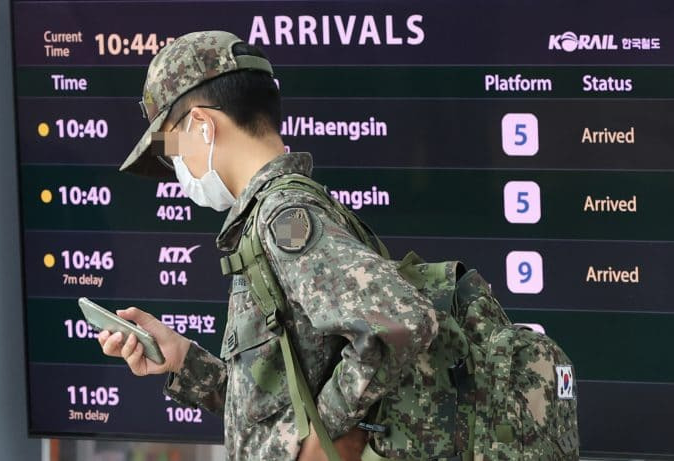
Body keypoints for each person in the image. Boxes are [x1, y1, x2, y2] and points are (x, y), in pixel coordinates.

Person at [98, 30, 439, 461]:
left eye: (171, 148)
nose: (175, 166)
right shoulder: (271, 216)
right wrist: (182, 360)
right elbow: (278, 405)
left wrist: (321, 438)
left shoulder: (285, 218)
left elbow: (400, 323)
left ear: (202, 126)